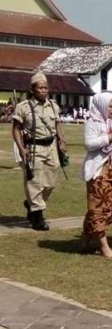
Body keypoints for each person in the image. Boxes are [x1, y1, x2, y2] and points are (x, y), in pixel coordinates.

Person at [12, 72, 67, 231]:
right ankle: (37, 216)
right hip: (33, 147)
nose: (44, 90)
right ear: (32, 89)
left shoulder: (53, 105)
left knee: (50, 182)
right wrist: (21, 148)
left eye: (46, 88)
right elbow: (16, 129)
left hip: (51, 148)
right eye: (40, 88)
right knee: (34, 181)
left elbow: (57, 125)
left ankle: (31, 203)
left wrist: (62, 141)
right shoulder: (23, 107)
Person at [82, 93, 112, 258]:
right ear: (102, 105)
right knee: (98, 208)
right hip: (98, 169)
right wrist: (111, 136)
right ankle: (104, 247)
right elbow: (89, 144)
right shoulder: (92, 122)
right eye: (111, 106)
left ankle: (87, 234)